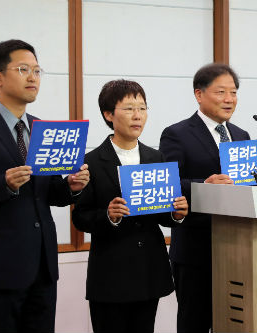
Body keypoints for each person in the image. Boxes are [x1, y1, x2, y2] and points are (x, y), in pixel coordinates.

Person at [0, 39, 90, 332]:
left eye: (37, 70)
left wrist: (71, 186)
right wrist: (3, 184)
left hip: (43, 265)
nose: (33, 77)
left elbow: (47, 194)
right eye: (23, 69)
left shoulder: (42, 127)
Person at [159, 63, 257, 332]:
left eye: (233, 93)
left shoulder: (242, 135)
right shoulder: (176, 133)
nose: (229, 99)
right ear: (199, 95)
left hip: (240, 246)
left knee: (235, 323)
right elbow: (170, 184)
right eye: (221, 92)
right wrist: (206, 184)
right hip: (196, 247)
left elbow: (246, 186)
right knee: (195, 323)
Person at [72, 79, 189, 333]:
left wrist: (176, 213)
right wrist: (109, 216)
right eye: (128, 109)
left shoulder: (155, 157)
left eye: (142, 108)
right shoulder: (90, 161)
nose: (138, 116)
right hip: (111, 273)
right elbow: (80, 217)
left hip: (149, 269)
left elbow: (161, 213)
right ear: (108, 114)